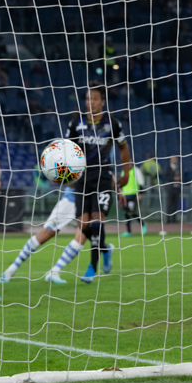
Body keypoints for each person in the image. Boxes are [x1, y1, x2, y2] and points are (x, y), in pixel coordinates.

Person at [45, 82, 130, 284]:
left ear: (102, 101)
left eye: (94, 99)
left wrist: (126, 173)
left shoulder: (113, 123)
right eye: (87, 99)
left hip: (102, 176)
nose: (90, 102)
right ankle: (105, 248)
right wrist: (65, 175)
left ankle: (92, 267)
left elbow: (123, 148)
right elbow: (66, 150)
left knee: (97, 218)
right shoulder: (76, 123)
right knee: (83, 224)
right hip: (82, 178)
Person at [0, 186, 101, 283]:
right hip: (70, 201)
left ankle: (54, 271)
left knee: (81, 237)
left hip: (89, 202)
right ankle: (11, 269)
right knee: (44, 235)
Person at [120, 164, 147, 237]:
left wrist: (140, 193)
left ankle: (143, 224)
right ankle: (128, 231)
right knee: (126, 213)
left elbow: (141, 182)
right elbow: (122, 184)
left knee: (131, 212)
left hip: (133, 195)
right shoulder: (123, 171)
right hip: (125, 196)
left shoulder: (136, 170)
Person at [164, 156, 181, 223]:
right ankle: (168, 219)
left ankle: (174, 220)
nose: (175, 160)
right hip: (170, 189)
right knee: (169, 204)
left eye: (176, 159)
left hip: (177, 189)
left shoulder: (178, 168)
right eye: (174, 159)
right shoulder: (168, 168)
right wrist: (174, 179)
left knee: (175, 204)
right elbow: (166, 176)